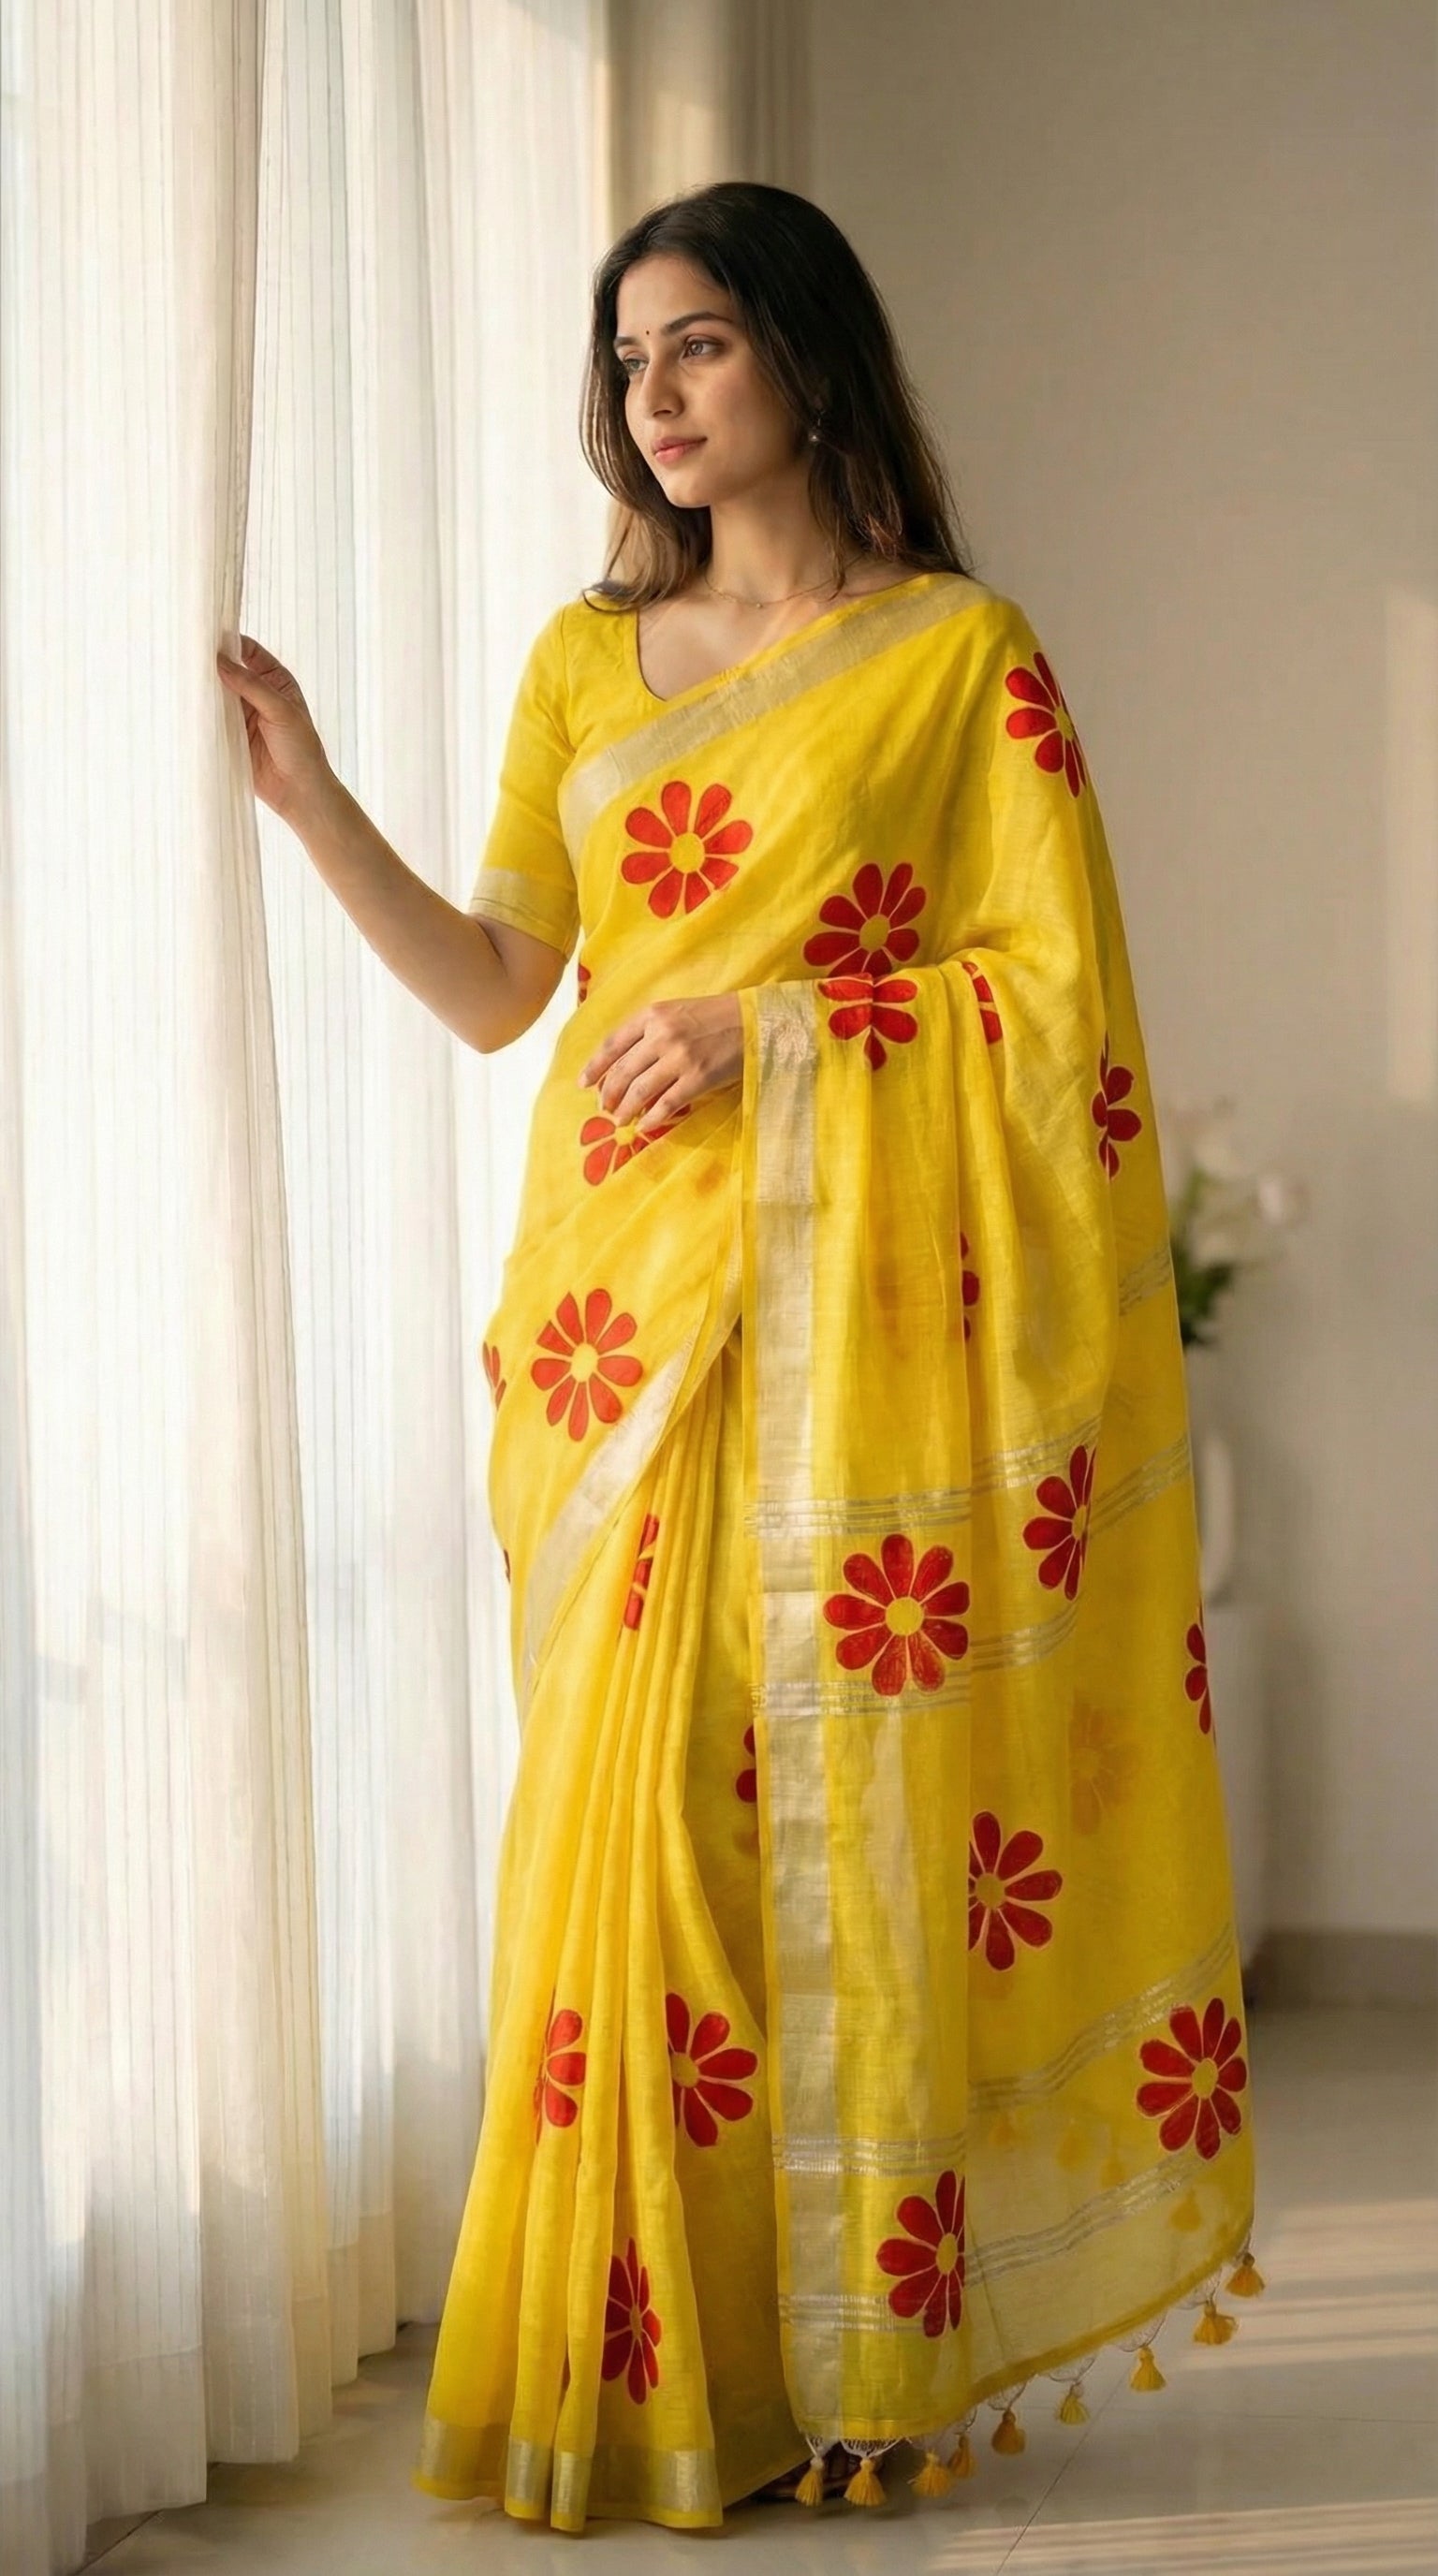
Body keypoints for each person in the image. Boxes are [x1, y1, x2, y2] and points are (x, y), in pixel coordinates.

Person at [216, 177, 1263, 2536]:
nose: (653, 398)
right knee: (630, 1844)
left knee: (832, 1836)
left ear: (802, 349)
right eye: (628, 363)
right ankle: (646, 2368)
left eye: (692, 346)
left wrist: (783, 1031)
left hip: (846, 1348)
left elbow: (1055, 1013)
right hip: (613, 1337)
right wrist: (313, 809)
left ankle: (835, 2359)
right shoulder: (590, 664)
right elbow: (507, 988)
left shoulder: (957, 660)